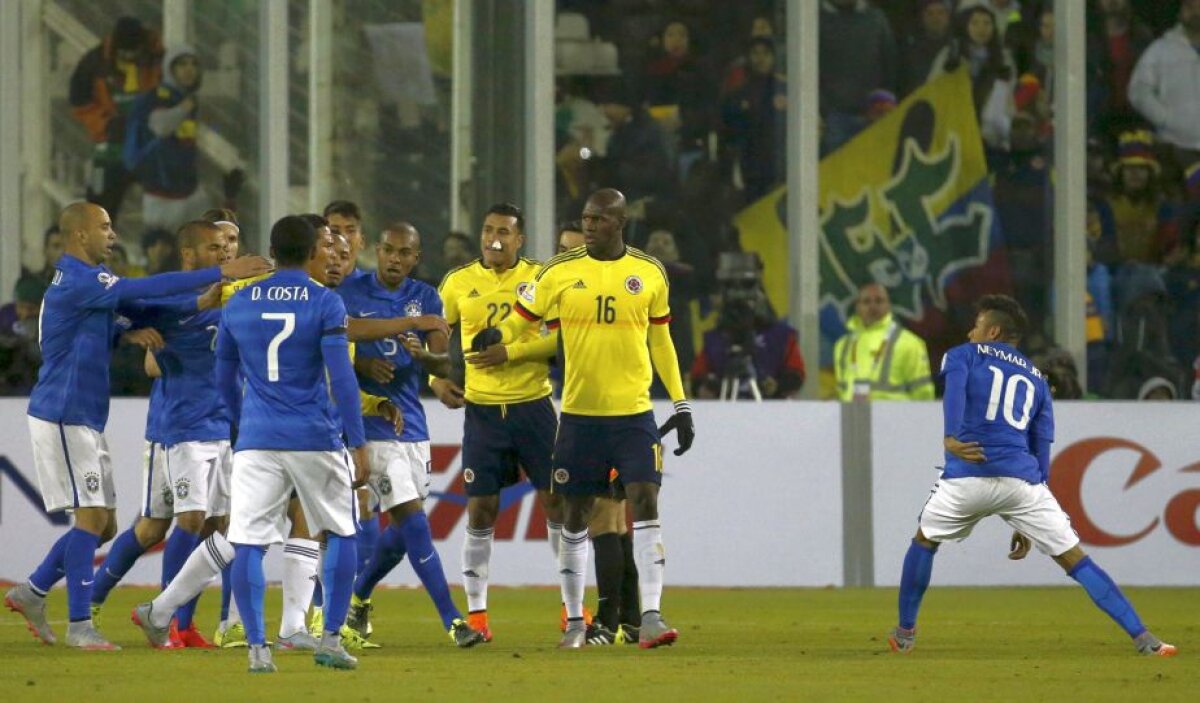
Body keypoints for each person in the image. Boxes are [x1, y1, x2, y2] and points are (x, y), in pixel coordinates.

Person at [3, 202, 268, 650]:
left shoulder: (90, 286)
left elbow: (135, 307)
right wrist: (219, 278)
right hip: (64, 412)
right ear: (81, 235)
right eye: (105, 227)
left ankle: (33, 590)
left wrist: (128, 329)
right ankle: (81, 624)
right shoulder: (82, 279)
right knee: (96, 519)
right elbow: (143, 289)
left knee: (105, 526)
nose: (113, 234)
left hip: (85, 414)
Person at [887, 294, 1177, 657]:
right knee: (1075, 559)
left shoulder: (963, 355)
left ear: (991, 331)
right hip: (1022, 482)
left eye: (976, 325)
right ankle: (1145, 638)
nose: (970, 330)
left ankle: (904, 633)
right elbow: (1041, 449)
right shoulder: (1038, 379)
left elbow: (955, 393)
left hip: (966, 477)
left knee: (925, 541)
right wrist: (1026, 518)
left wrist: (951, 437)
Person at [476, 188, 695, 649]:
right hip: (578, 416)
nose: (589, 226)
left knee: (645, 500)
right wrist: (502, 331)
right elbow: (524, 315)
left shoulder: (648, 273)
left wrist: (680, 403)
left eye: (598, 220)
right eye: (586, 219)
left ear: (620, 222)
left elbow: (662, 343)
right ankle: (576, 621)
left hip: (633, 414)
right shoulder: (560, 271)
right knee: (574, 516)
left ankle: (651, 616)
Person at [210, 216, 366, 672]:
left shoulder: (237, 304)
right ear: (313, 251)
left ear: (272, 252)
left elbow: (223, 380)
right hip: (315, 437)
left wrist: (241, 426)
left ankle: (258, 650)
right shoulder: (326, 302)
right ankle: (331, 639)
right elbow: (341, 378)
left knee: (249, 543)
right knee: (340, 531)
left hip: (257, 439)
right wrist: (357, 441)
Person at [412, 204, 570, 643]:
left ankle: (571, 609)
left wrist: (512, 353)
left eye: (504, 232)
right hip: (483, 412)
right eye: (488, 230)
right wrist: (435, 378)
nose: (493, 239)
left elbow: (561, 339)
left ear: (520, 240)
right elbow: (434, 335)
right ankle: (478, 616)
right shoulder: (459, 282)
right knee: (480, 510)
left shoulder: (541, 278)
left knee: (557, 505)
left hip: (534, 406)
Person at [335, 222, 484, 648]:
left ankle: (359, 598)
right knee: (416, 520)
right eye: (388, 250)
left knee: (402, 535)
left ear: (416, 258)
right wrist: (362, 367)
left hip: (413, 426)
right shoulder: (351, 290)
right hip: (372, 422)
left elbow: (443, 365)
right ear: (376, 251)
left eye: (405, 253)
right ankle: (453, 621)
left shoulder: (427, 297)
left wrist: (427, 356)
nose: (395, 259)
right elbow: (337, 339)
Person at [90, 221, 235, 649]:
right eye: (217, 245)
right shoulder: (169, 297)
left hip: (220, 426)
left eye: (231, 244)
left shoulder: (237, 297)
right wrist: (133, 333)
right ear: (190, 254)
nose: (226, 251)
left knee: (212, 526)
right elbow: (114, 319)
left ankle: (181, 623)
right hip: (178, 426)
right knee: (174, 524)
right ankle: (136, 611)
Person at [69, 16, 163, 223]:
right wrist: (106, 125)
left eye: (134, 55)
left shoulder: (159, 58)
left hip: (151, 148)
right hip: (111, 149)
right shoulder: (93, 64)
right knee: (98, 212)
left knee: (166, 210)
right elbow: (79, 102)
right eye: (124, 55)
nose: (129, 59)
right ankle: (98, 253)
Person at [124, 47, 209, 233]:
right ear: (169, 68)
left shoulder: (188, 99)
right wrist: (183, 109)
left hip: (190, 191)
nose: (189, 69)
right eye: (182, 64)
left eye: (194, 64)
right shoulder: (157, 96)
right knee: (162, 253)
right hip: (161, 195)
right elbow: (160, 127)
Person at [1129, 0, 1200, 179]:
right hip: (1175, 149)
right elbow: (1139, 91)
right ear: (1180, 11)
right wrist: (1165, 118)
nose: (1196, 13)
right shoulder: (1161, 49)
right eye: (1190, 7)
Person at [819, 0, 898, 152]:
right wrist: (823, 109)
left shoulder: (876, 18)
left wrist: (884, 103)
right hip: (834, 118)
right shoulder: (816, 21)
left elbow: (890, 62)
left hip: (874, 115)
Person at [833, 283, 934, 401]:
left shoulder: (910, 343)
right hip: (853, 417)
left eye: (879, 301)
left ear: (888, 305)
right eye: (866, 301)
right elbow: (841, 391)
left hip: (895, 417)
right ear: (857, 307)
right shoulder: (843, 345)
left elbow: (923, 392)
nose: (872, 306)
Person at [899, 0, 953, 96]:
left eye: (940, 13)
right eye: (930, 13)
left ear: (948, 17)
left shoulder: (957, 48)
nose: (936, 18)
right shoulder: (910, 51)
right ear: (923, 17)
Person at [324, 200, 371, 281]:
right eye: (334, 231)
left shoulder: (374, 288)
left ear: (362, 241)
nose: (343, 238)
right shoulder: (306, 287)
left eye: (350, 231)